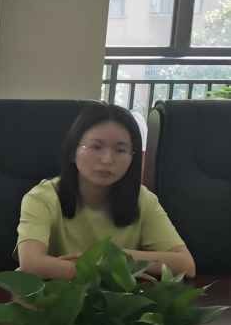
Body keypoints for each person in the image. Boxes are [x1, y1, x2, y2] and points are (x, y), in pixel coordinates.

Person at [16, 102, 195, 280]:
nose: (107, 160)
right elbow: (31, 265)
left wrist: (117, 256)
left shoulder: (142, 200)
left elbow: (186, 265)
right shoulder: (41, 198)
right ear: (72, 152)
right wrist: (113, 271)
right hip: (54, 296)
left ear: (132, 158)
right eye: (96, 147)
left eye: (120, 150)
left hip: (119, 299)